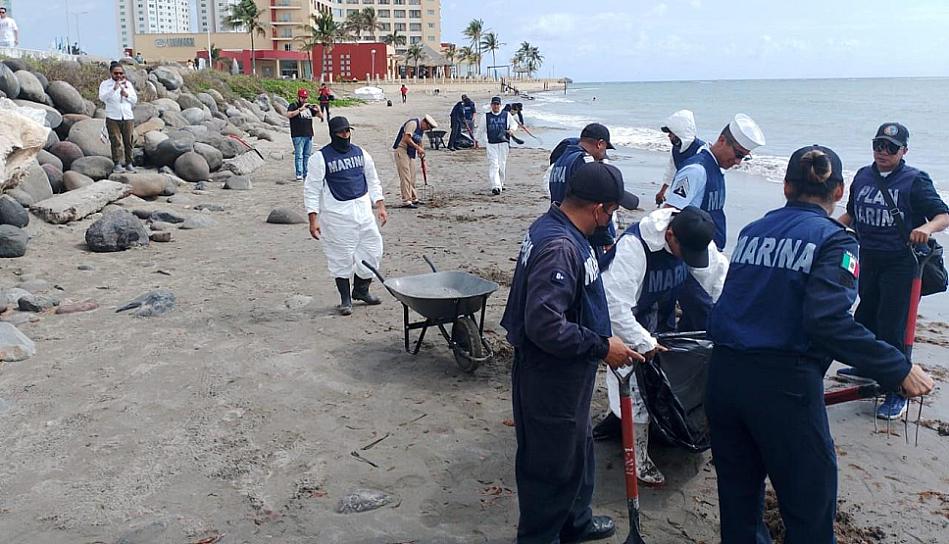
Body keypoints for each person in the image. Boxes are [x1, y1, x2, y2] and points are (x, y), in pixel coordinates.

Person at [706, 145, 934, 544]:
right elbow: (828, 321)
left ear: (786, 186)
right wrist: (897, 367)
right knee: (809, 509)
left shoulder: (753, 230)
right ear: (841, 190)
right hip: (784, 387)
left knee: (739, 505)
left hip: (723, 378)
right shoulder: (836, 242)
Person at [501, 162, 643, 544]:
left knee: (577, 450)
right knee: (549, 468)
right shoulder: (560, 247)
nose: (611, 220)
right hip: (550, 376)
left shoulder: (559, 228)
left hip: (569, 371)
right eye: (612, 211)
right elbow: (544, 325)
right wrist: (601, 346)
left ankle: (575, 522)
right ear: (598, 209)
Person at [593, 206, 728, 485]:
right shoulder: (635, 247)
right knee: (634, 384)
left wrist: (729, 318)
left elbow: (717, 278)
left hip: (657, 309)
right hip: (622, 314)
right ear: (670, 235)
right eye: (684, 252)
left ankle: (621, 422)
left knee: (655, 381)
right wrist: (644, 342)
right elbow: (613, 306)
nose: (688, 260)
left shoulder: (694, 235)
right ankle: (638, 455)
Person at [836, 123, 949, 419]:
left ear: (904, 151)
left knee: (893, 327)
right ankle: (867, 367)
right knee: (866, 316)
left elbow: (943, 215)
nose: (882, 152)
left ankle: (897, 390)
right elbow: (852, 214)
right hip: (868, 257)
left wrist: (925, 228)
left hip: (902, 263)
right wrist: (831, 226)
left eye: (891, 147)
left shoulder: (915, 180)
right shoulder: (862, 176)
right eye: (878, 145)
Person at [663, 113, 765, 332]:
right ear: (721, 140)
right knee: (705, 316)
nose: (737, 162)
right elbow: (668, 214)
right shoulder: (696, 170)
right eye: (737, 154)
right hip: (692, 261)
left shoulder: (716, 169)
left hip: (709, 256)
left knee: (696, 321)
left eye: (743, 158)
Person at [304, 116, 388, 316]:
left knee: (373, 250)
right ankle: (345, 299)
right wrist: (312, 218)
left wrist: (380, 205)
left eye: (348, 131)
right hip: (336, 216)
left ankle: (361, 289)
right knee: (340, 257)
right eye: (341, 132)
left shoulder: (361, 153)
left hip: (363, 212)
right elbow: (312, 189)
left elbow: (373, 180)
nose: (345, 135)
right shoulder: (320, 158)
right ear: (333, 133)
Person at [655, 110, 705, 206]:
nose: (668, 135)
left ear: (679, 133)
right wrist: (662, 192)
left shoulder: (701, 150)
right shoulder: (676, 150)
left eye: (671, 133)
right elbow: (671, 170)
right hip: (682, 192)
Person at [98, 62, 138, 174]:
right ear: (111, 73)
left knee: (128, 141)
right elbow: (102, 97)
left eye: (121, 73)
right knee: (115, 141)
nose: (119, 75)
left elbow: (134, 100)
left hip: (127, 116)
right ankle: (117, 164)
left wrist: (127, 95)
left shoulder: (128, 84)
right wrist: (114, 89)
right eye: (116, 73)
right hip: (113, 116)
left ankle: (129, 163)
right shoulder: (105, 84)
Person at [392, 114, 437, 208]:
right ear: (425, 122)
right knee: (405, 176)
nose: (426, 130)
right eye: (427, 127)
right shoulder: (413, 123)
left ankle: (414, 198)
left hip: (410, 152)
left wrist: (421, 151)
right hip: (401, 150)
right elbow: (406, 138)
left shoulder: (421, 130)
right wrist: (417, 148)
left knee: (412, 176)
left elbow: (419, 141)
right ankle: (406, 200)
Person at [478, 96, 517, 196]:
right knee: (494, 164)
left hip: (504, 143)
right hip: (491, 144)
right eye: (494, 104)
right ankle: (496, 186)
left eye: (497, 104)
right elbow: (480, 131)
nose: (496, 106)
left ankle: (500, 183)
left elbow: (514, 124)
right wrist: (481, 141)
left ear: (500, 105)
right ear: (491, 105)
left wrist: (512, 130)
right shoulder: (485, 117)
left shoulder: (506, 115)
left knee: (501, 165)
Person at [286, 88, 323, 181]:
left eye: (306, 97)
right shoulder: (293, 105)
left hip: (308, 134)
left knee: (307, 155)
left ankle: (306, 173)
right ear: (298, 97)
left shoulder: (309, 107)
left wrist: (318, 109)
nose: (304, 100)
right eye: (302, 97)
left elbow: (321, 117)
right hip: (298, 135)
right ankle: (299, 174)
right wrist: (300, 109)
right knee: (299, 155)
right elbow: (289, 115)